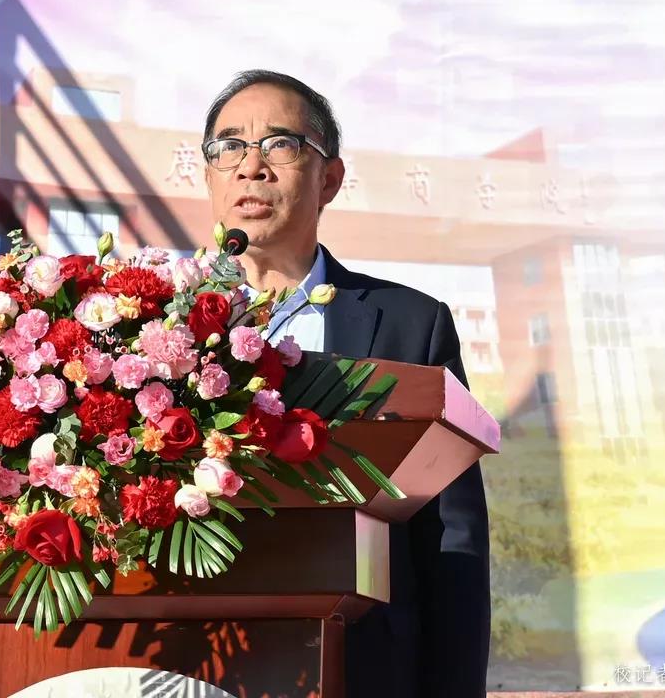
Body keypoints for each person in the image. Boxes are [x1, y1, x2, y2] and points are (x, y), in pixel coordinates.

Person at [202, 70, 491, 697]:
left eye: (280, 144)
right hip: (192, 662)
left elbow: (451, 535)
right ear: (210, 177)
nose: (250, 166)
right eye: (229, 147)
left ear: (329, 178)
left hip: (364, 667)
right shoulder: (150, 330)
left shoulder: (412, 324)